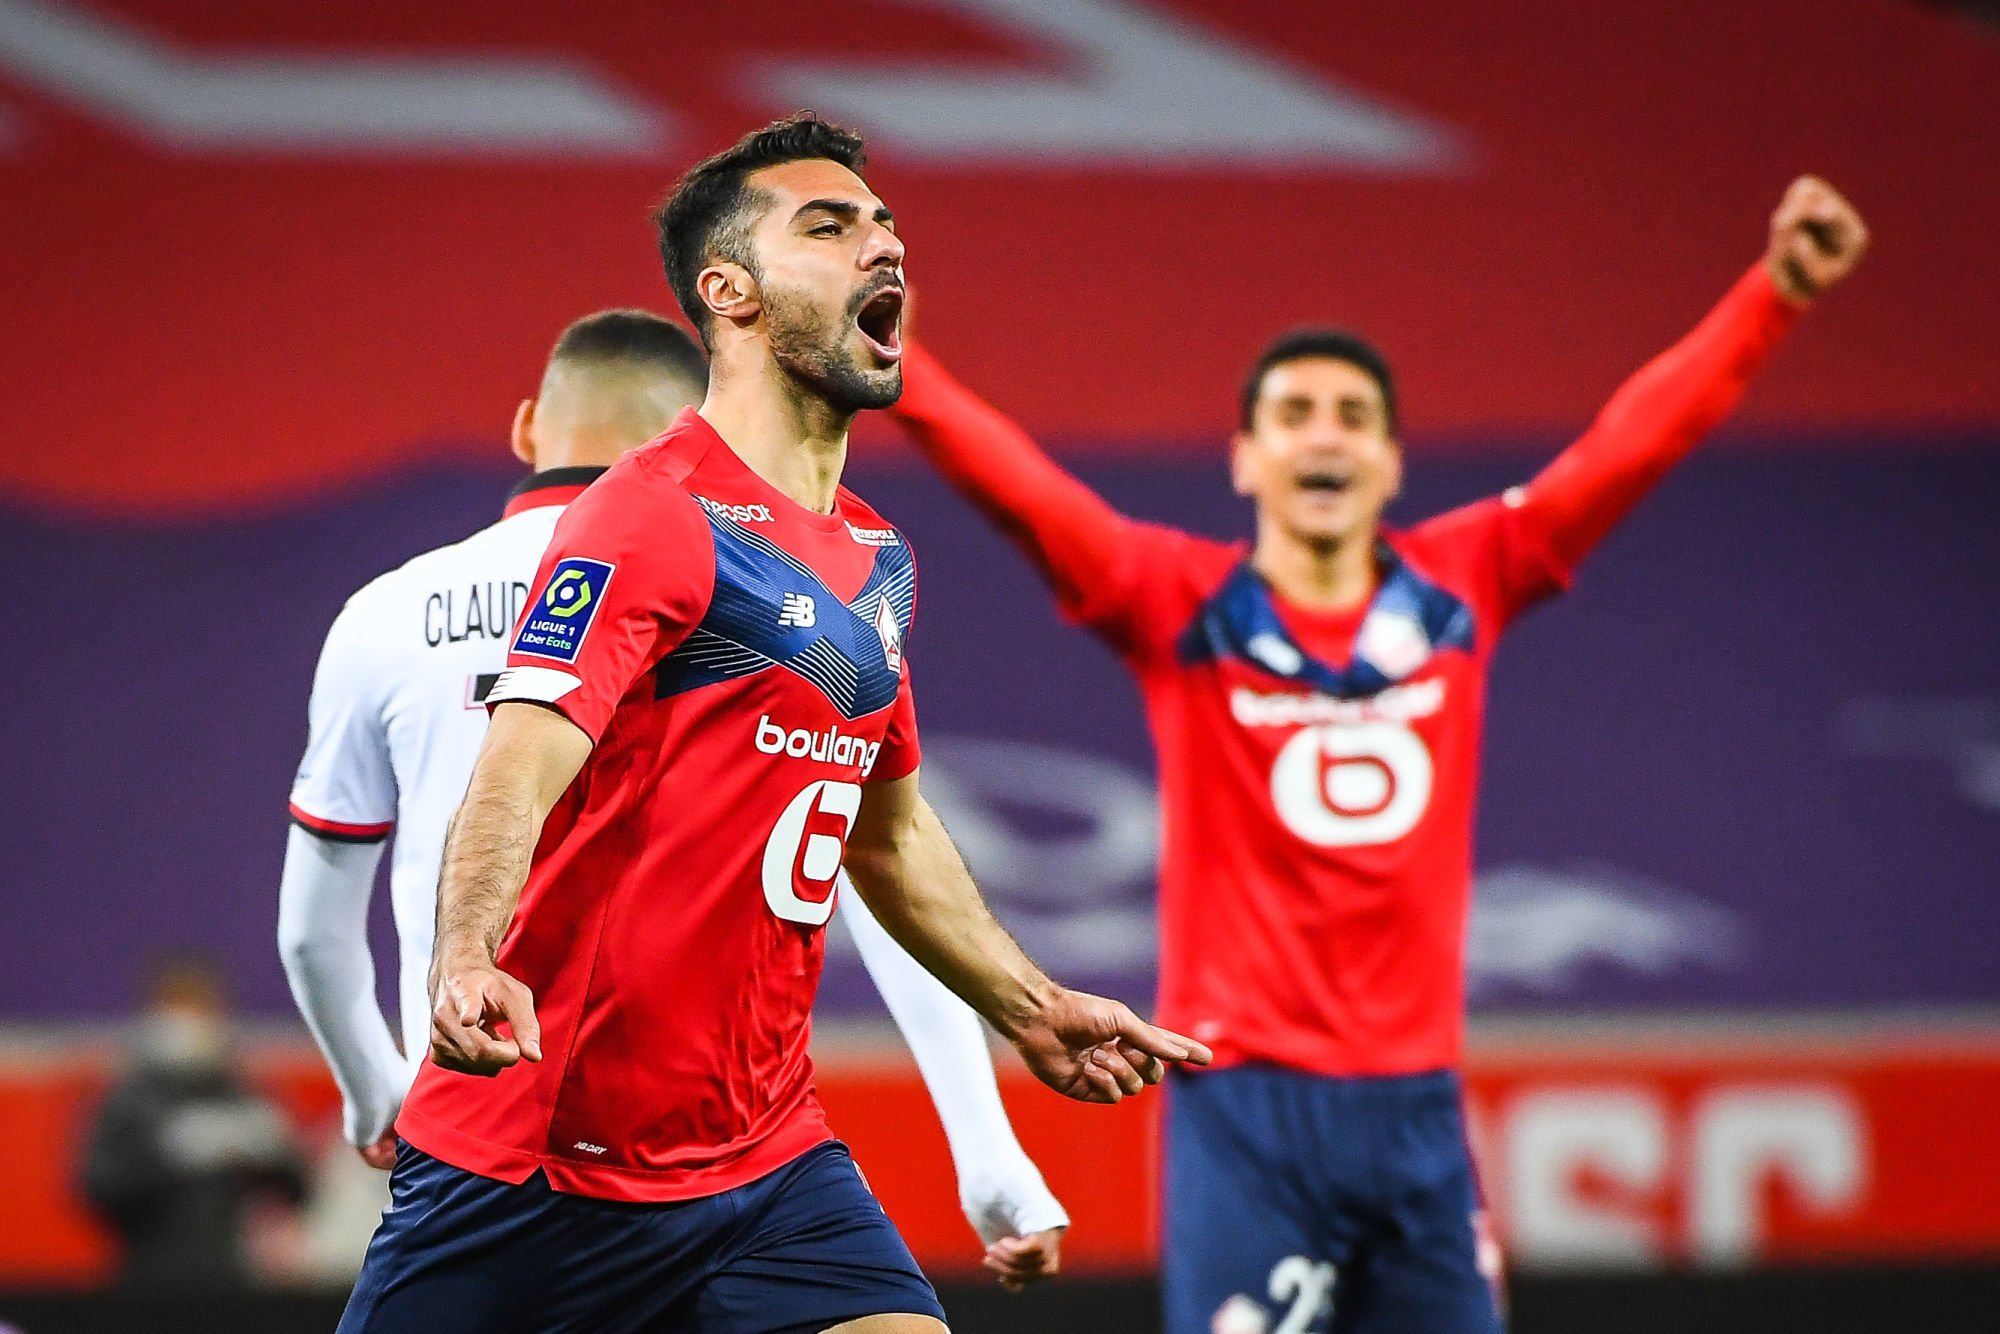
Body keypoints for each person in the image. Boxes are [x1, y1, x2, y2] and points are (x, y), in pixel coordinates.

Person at [885, 177, 1869, 1333]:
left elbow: (1630, 444)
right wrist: (904, 361)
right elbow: (1013, 483)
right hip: (1241, 1108)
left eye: (1351, 415)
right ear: (1244, 458)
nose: (1323, 435)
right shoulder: (1175, 599)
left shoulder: (1466, 579)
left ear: (1391, 462)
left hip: (1414, 1114)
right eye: (1294, 412)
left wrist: (1774, 291)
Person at [337, 114, 1209, 1334]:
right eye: (829, 227)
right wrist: (466, 953)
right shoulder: (651, 514)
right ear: (729, 292)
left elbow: (888, 834)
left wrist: (1027, 1001)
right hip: (542, 1163)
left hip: (765, 1163)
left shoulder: (875, 557)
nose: (882, 245)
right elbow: (517, 759)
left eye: (884, 224)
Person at [279, 309, 1069, 1281]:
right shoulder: (754, 594)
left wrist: (376, 1097)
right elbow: (861, 865)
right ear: (689, 433)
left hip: (481, 1126)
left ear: (528, 429)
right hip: (706, 1147)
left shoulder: (384, 616)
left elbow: (312, 933)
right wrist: (986, 1148)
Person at [78, 953, 308, 1291]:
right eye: (178, 1008)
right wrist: (167, 1159)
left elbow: (297, 1190)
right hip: (147, 1279)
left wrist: (272, 1150)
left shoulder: (241, 1092)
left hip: (234, 1278)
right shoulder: (127, 1097)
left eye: (202, 1008)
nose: (191, 1023)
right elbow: (97, 1187)